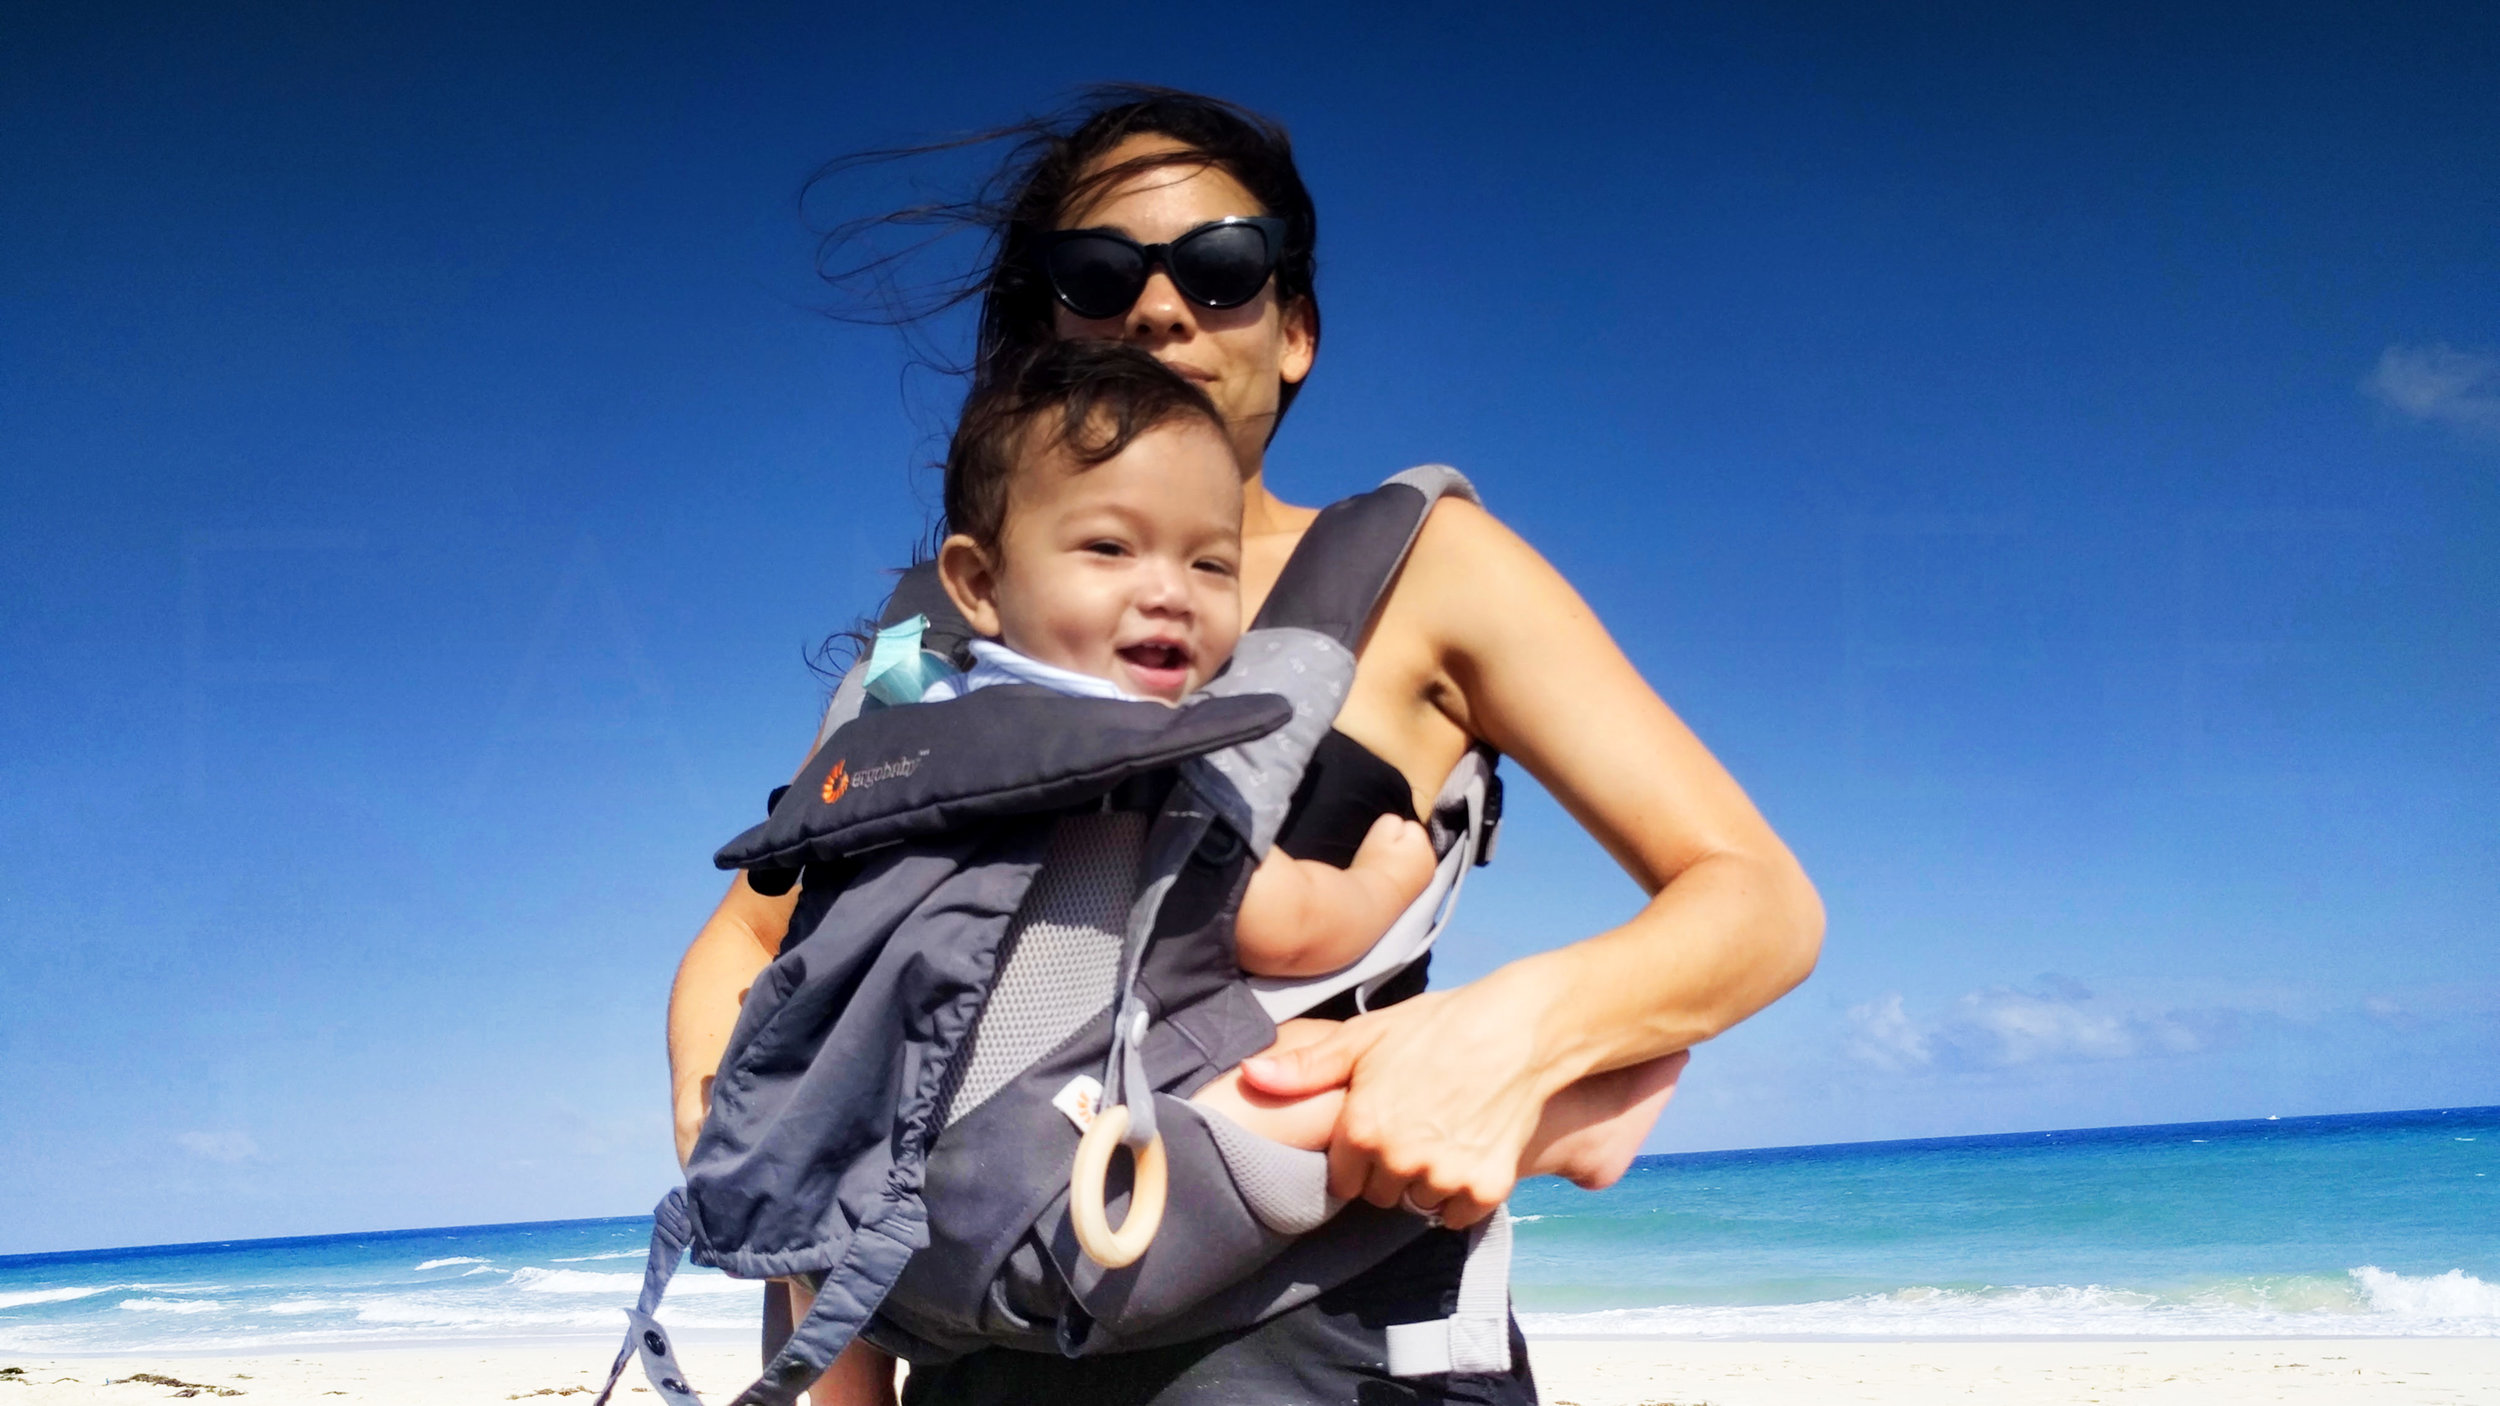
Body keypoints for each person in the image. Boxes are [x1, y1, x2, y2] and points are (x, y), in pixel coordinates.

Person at [669, 87, 1823, 1404]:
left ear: (1294, 331)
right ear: (1050, 329)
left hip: (1340, 1356)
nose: (1158, 309)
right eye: (1097, 274)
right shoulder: (941, 638)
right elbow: (775, 959)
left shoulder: (1427, 569)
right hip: (987, 1340)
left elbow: (1757, 899)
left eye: (1220, 269)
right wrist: (785, 1226)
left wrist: (1513, 1038)